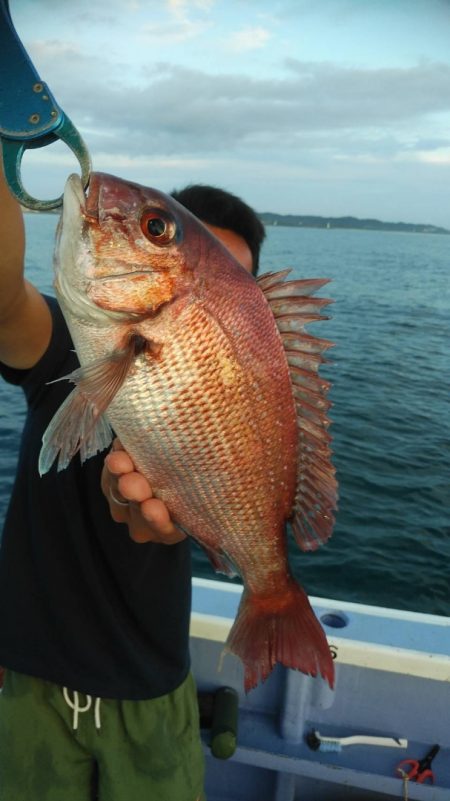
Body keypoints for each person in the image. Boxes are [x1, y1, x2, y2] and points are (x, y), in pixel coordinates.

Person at [0, 159, 265, 801]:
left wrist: (180, 523)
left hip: (151, 678)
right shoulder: (67, 348)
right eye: (162, 234)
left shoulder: (243, 398)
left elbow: (208, 493)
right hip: (28, 671)